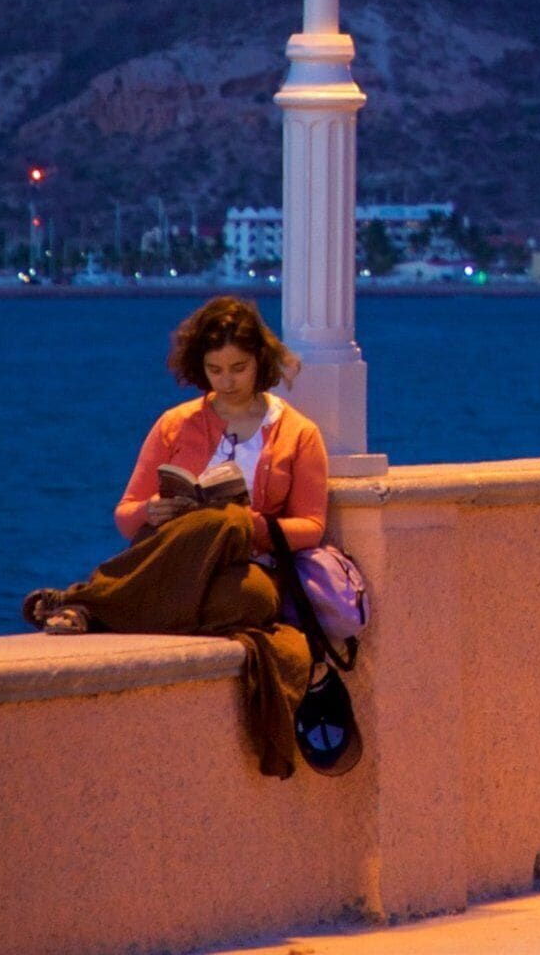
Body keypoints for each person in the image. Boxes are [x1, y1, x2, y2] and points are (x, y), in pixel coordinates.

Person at [22, 296, 333, 775]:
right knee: (211, 523)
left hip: (248, 566)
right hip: (174, 558)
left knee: (246, 587)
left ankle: (90, 602)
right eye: (215, 370)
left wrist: (247, 525)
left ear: (261, 362)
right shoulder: (175, 424)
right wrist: (154, 509)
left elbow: (311, 526)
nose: (227, 381)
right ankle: (109, 599)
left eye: (238, 368)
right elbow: (126, 517)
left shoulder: (297, 433)